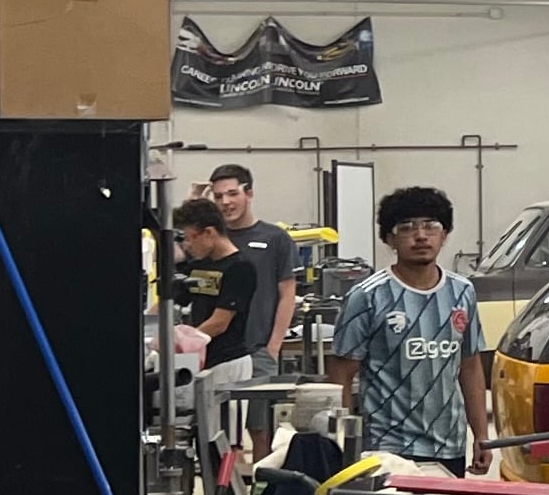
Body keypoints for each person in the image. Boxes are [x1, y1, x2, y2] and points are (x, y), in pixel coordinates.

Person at [331, 183, 493, 477]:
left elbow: (469, 366)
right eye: (407, 227)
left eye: (431, 226)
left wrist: (481, 435)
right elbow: (341, 375)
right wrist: (341, 444)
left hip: (449, 446)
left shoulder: (462, 292)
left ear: (444, 234)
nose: (420, 236)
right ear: (389, 238)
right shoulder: (367, 296)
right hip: (387, 448)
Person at [172, 196, 271, 453]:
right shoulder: (198, 266)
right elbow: (172, 299)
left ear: (209, 232)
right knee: (199, 440)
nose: (188, 245)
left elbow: (220, 322)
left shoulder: (241, 268)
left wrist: (182, 342)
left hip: (228, 364)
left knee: (225, 444)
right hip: (200, 361)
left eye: (190, 238)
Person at [204, 163, 301, 367]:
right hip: (213, 352)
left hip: (258, 351)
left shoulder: (276, 239)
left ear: (249, 194)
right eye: (218, 196)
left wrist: (273, 347)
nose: (226, 202)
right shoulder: (210, 239)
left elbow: (287, 295)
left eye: (233, 194)